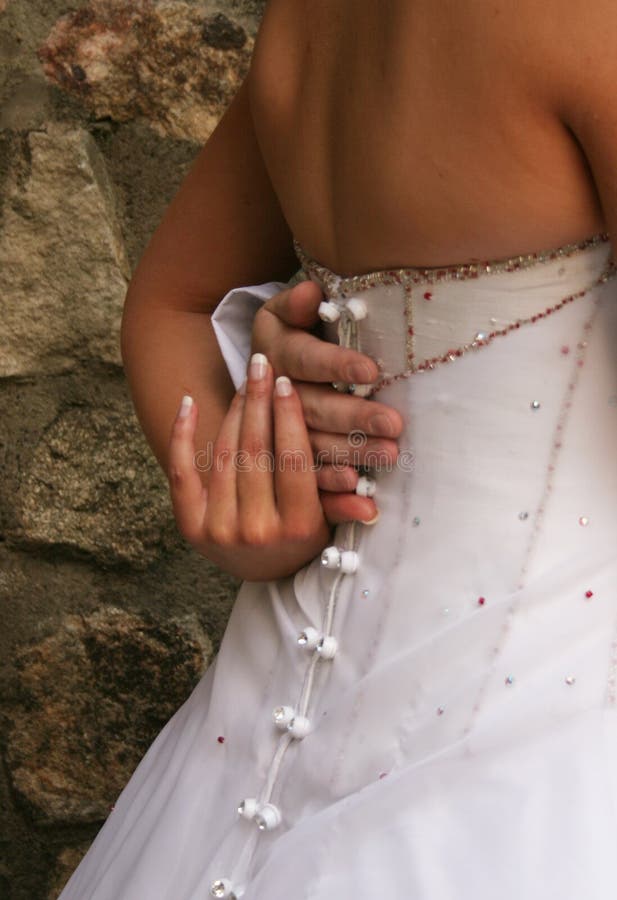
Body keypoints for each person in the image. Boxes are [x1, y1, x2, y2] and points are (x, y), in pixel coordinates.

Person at [59, 1, 617, 897]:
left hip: (260, 725)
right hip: (551, 706)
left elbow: (170, 303)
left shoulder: (309, 18)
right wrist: (259, 447)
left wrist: (240, 477)